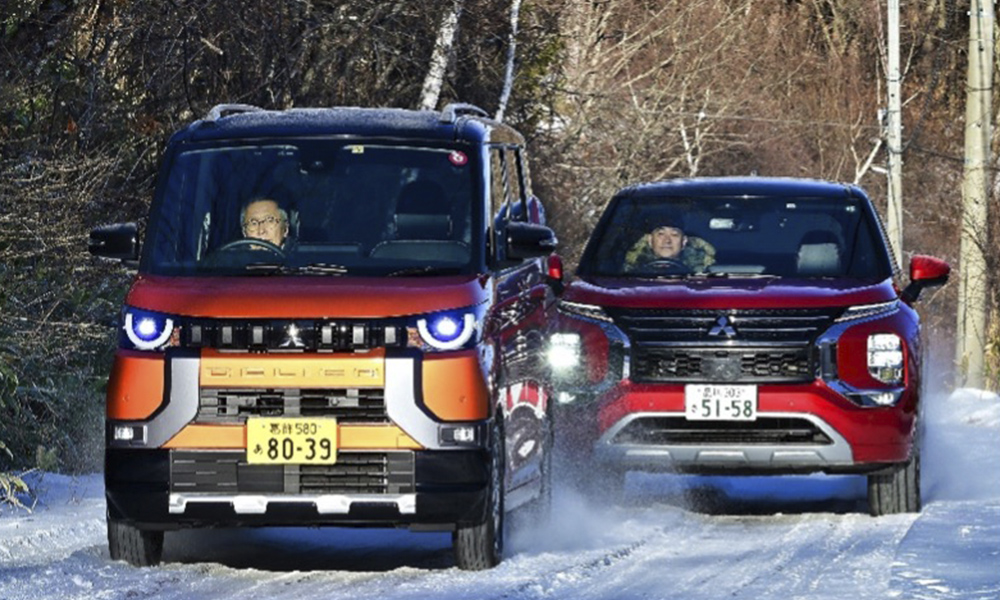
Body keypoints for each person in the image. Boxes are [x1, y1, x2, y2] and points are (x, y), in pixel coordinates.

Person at [624, 215, 715, 273]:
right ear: (650, 240)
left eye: (674, 235)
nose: (667, 240)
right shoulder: (629, 271)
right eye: (661, 234)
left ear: (684, 242)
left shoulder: (704, 271)